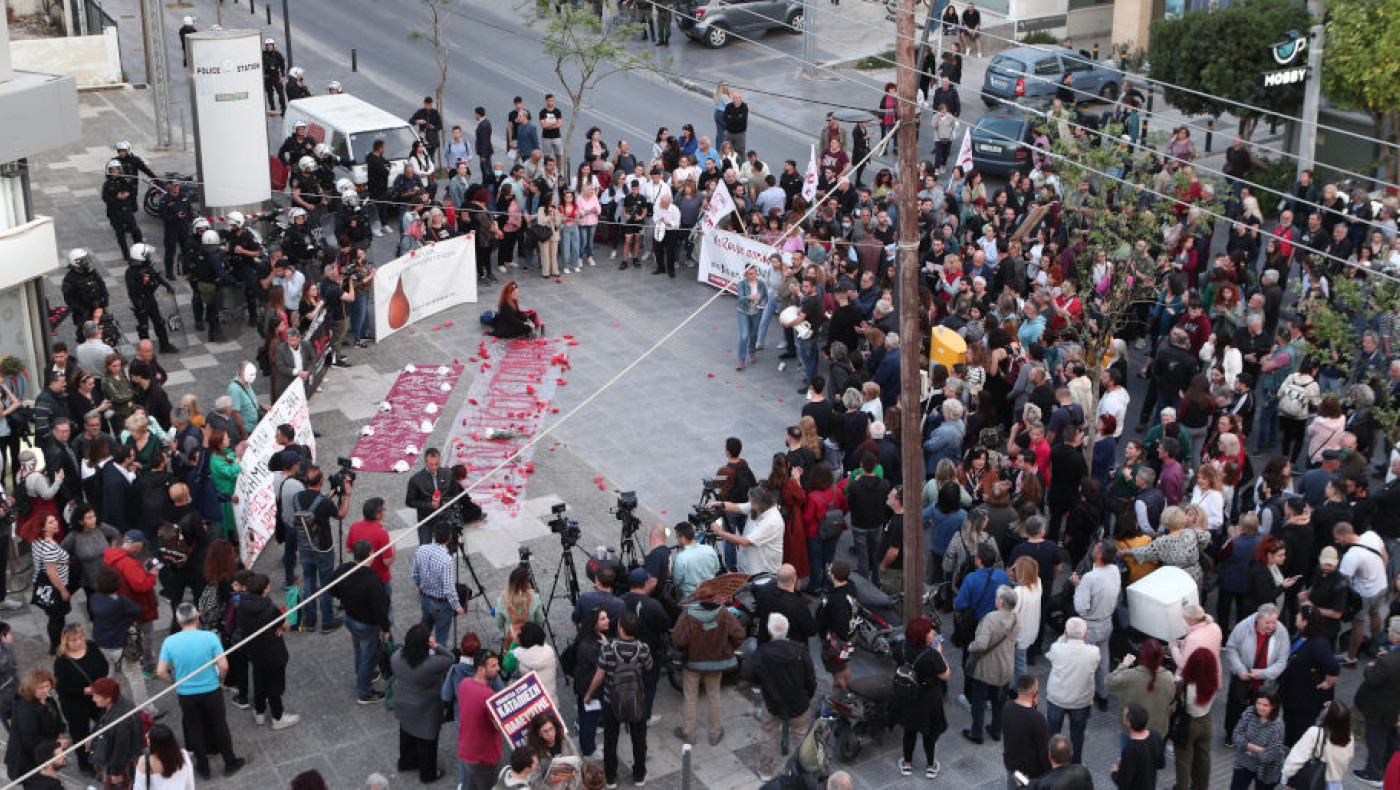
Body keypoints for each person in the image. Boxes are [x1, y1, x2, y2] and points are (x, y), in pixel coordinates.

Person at [156, 603, 245, 779]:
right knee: (220, 725)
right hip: (211, 690)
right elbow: (224, 665)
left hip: (186, 694)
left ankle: (203, 768)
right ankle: (229, 761)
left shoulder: (169, 642)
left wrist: (173, 682)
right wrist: (221, 680)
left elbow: (160, 671)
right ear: (197, 617)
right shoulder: (210, 638)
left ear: (177, 621)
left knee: (194, 729)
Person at [745, 612, 818, 781]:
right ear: (787, 630)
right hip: (799, 703)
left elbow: (747, 673)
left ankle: (766, 770)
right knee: (802, 737)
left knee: (769, 736)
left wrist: (763, 682)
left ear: (770, 632)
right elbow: (811, 679)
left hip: (772, 702)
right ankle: (804, 772)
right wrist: (807, 696)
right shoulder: (800, 650)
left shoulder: (763, 652)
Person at [583, 611, 652, 787]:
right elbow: (649, 667)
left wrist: (589, 694)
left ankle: (611, 777)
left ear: (620, 628)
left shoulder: (608, 648)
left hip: (611, 701)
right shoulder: (643, 648)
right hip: (637, 700)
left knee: (610, 739)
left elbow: (600, 675)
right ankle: (639, 775)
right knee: (639, 739)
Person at [672, 599, 744, 746]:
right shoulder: (724, 613)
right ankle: (715, 733)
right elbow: (739, 635)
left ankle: (689, 733)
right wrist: (727, 648)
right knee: (714, 696)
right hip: (716, 663)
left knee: (690, 698)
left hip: (692, 663)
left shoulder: (688, 615)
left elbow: (678, 640)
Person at [391, 624, 453, 783]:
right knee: (427, 742)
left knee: (406, 733)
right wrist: (436, 646)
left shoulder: (397, 657)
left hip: (403, 703)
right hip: (425, 709)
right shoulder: (430, 664)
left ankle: (406, 762)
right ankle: (428, 773)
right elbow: (450, 658)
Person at [236, 573, 298, 730]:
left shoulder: (242, 604)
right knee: (274, 685)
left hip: (253, 649)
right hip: (272, 651)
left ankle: (259, 712)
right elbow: (286, 626)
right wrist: (280, 626)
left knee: (258, 678)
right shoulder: (270, 609)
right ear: (264, 590)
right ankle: (278, 717)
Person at [893, 616, 951, 779]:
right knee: (929, 733)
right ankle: (931, 766)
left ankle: (907, 764)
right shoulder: (933, 655)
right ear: (922, 636)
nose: (933, 632)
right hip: (929, 698)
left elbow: (896, 660)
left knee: (909, 730)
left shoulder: (900, 648)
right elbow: (945, 675)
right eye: (929, 631)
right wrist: (940, 653)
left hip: (908, 695)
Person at [1223, 604, 1290, 746]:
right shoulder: (1243, 627)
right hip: (1243, 677)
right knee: (1236, 707)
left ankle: (1256, 737)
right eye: (1268, 622)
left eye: (1274, 622)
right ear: (1258, 619)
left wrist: (1264, 673)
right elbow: (1231, 648)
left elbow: (1282, 660)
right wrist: (1240, 669)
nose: (1272, 626)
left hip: (1265, 682)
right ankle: (1232, 734)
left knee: (1262, 709)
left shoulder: (1281, 631)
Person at [1278, 605, 1340, 746]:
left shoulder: (1318, 644)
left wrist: (1328, 683)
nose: (1296, 617)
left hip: (1305, 700)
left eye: (1299, 616)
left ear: (1305, 621)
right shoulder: (1304, 637)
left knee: (1299, 732)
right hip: (1292, 694)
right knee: (1290, 726)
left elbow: (1333, 666)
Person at [965, 586, 1019, 745]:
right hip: (1006, 667)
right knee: (999, 701)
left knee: (979, 701)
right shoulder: (1016, 619)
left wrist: (970, 647)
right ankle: (996, 730)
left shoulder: (990, 619)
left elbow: (981, 644)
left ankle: (976, 733)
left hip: (986, 668)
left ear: (1001, 603)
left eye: (997, 598)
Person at [52, 623, 107, 775]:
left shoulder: (91, 647)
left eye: (81, 637)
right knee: (80, 734)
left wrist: (98, 684)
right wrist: (85, 690)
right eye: (74, 640)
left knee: (107, 721)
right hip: (74, 704)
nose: (79, 642)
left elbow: (104, 666)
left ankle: (106, 750)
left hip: (96, 698)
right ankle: (84, 764)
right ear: (66, 641)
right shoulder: (61, 661)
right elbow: (61, 688)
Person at [1073, 539, 1122, 709]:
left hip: (1090, 625)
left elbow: (1081, 607)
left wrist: (1078, 586)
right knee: (1103, 660)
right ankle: (1103, 694)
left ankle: (1083, 694)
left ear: (1099, 554)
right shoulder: (1115, 570)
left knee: (1084, 661)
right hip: (1107, 622)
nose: (1092, 549)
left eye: (1095, 548)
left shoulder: (1089, 578)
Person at [1045, 617, 1100, 764]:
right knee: (1077, 735)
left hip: (1057, 698)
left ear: (1066, 633)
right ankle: (1075, 765)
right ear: (1085, 635)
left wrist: (1065, 636)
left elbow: (1051, 654)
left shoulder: (1057, 649)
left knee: (1053, 734)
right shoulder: (1093, 652)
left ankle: (1052, 763)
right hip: (1080, 702)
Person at [1353, 616, 1400, 785]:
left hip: (1380, 707)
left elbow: (1373, 680)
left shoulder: (1388, 662)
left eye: (1390, 630)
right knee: (1392, 738)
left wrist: (1370, 667)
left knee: (1376, 739)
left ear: (1395, 636)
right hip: (1394, 707)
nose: (1387, 631)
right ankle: (1389, 767)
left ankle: (1374, 773)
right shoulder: (1392, 657)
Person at [1107, 638, 1176, 743]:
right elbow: (1171, 698)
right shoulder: (1169, 678)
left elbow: (1109, 683)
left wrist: (1124, 665)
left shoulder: (1130, 676)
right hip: (1157, 731)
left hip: (1131, 729)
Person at [3, 671, 65, 782]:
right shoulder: (26, 709)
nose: (46, 690)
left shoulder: (48, 700)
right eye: (41, 687)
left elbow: (57, 720)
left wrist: (60, 733)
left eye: (47, 686)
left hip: (44, 752)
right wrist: (56, 745)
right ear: (31, 688)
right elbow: (30, 740)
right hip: (28, 760)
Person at [1175, 646, 1221, 790]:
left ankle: (1181, 787)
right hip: (1206, 720)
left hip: (1189, 723)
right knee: (1203, 759)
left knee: (1184, 761)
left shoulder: (1185, 683)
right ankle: (1201, 787)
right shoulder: (1213, 683)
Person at [457, 650, 504, 790]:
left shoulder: (464, 683)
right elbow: (499, 725)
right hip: (484, 756)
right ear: (481, 669)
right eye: (493, 666)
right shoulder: (489, 696)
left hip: (466, 750)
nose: (498, 669)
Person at [413, 522, 465, 647]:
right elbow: (449, 588)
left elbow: (414, 574)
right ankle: (439, 662)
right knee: (441, 639)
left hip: (425, 598)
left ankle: (418, 655)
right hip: (441, 604)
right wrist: (457, 606)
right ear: (450, 537)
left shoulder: (421, 550)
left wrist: (420, 587)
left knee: (423, 632)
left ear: (433, 535)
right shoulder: (446, 560)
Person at [1282, 701, 1355, 790]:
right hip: (1335, 783)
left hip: (1314, 781)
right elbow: (1349, 757)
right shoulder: (1348, 736)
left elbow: (1297, 758)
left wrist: (1285, 776)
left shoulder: (1316, 732)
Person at [88, 677, 144, 787]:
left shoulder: (121, 721)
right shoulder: (116, 702)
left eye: (96, 696)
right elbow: (102, 721)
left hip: (118, 764)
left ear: (108, 698)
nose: (93, 699)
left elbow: (121, 749)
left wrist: (115, 771)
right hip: (111, 757)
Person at [29, 514, 72, 654]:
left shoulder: (37, 541)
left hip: (42, 585)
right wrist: (63, 590)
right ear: (43, 528)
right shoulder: (50, 548)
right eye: (51, 522)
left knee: (54, 617)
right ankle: (57, 645)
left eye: (55, 520)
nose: (55, 523)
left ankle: (58, 644)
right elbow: (51, 573)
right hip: (54, 588)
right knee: (57, 618)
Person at [1231, 692, 1285, 790]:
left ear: (1273, 706)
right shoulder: (1250, 712)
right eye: (1258, 703)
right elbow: (1235, 735)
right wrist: (1256, 748)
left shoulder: (1277, 725)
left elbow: (1269, 756)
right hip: (1244, 762)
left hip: (1267, 769)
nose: (1260, 707)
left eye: (1265, 705)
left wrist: (1249, 751)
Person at [1004, 675, 1052, 787]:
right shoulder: (1036, 718)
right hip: (1031, 774)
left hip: (1012, 768)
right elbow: (1043, 749)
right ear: (1034, 693)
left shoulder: (1008, 707)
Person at [1112, 702, 1166, 790]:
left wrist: (1115, 772)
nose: (1122, 716)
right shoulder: (1155, 735)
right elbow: (1161, 764)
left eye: (1124, 716)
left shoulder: (1130, 749)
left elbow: (1123, 783)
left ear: (1129, 723)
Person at [406, 448, 454, 546]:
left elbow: (453, 493)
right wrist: (429, 505)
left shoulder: (447, 474)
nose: (434, 467)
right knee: (424, 546)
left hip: (443, 516)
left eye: (437, 464)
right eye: (431, 464)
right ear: (425, 462)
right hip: (426, 517)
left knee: (447, 546)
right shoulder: (416, 480)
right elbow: (410, 501)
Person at [133, 722, 197, 790]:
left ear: (155, 745)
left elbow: (139, 788)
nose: (146, 736)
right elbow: (189, 783)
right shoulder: (183, 756)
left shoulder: (145, 763)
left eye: (149, 738)